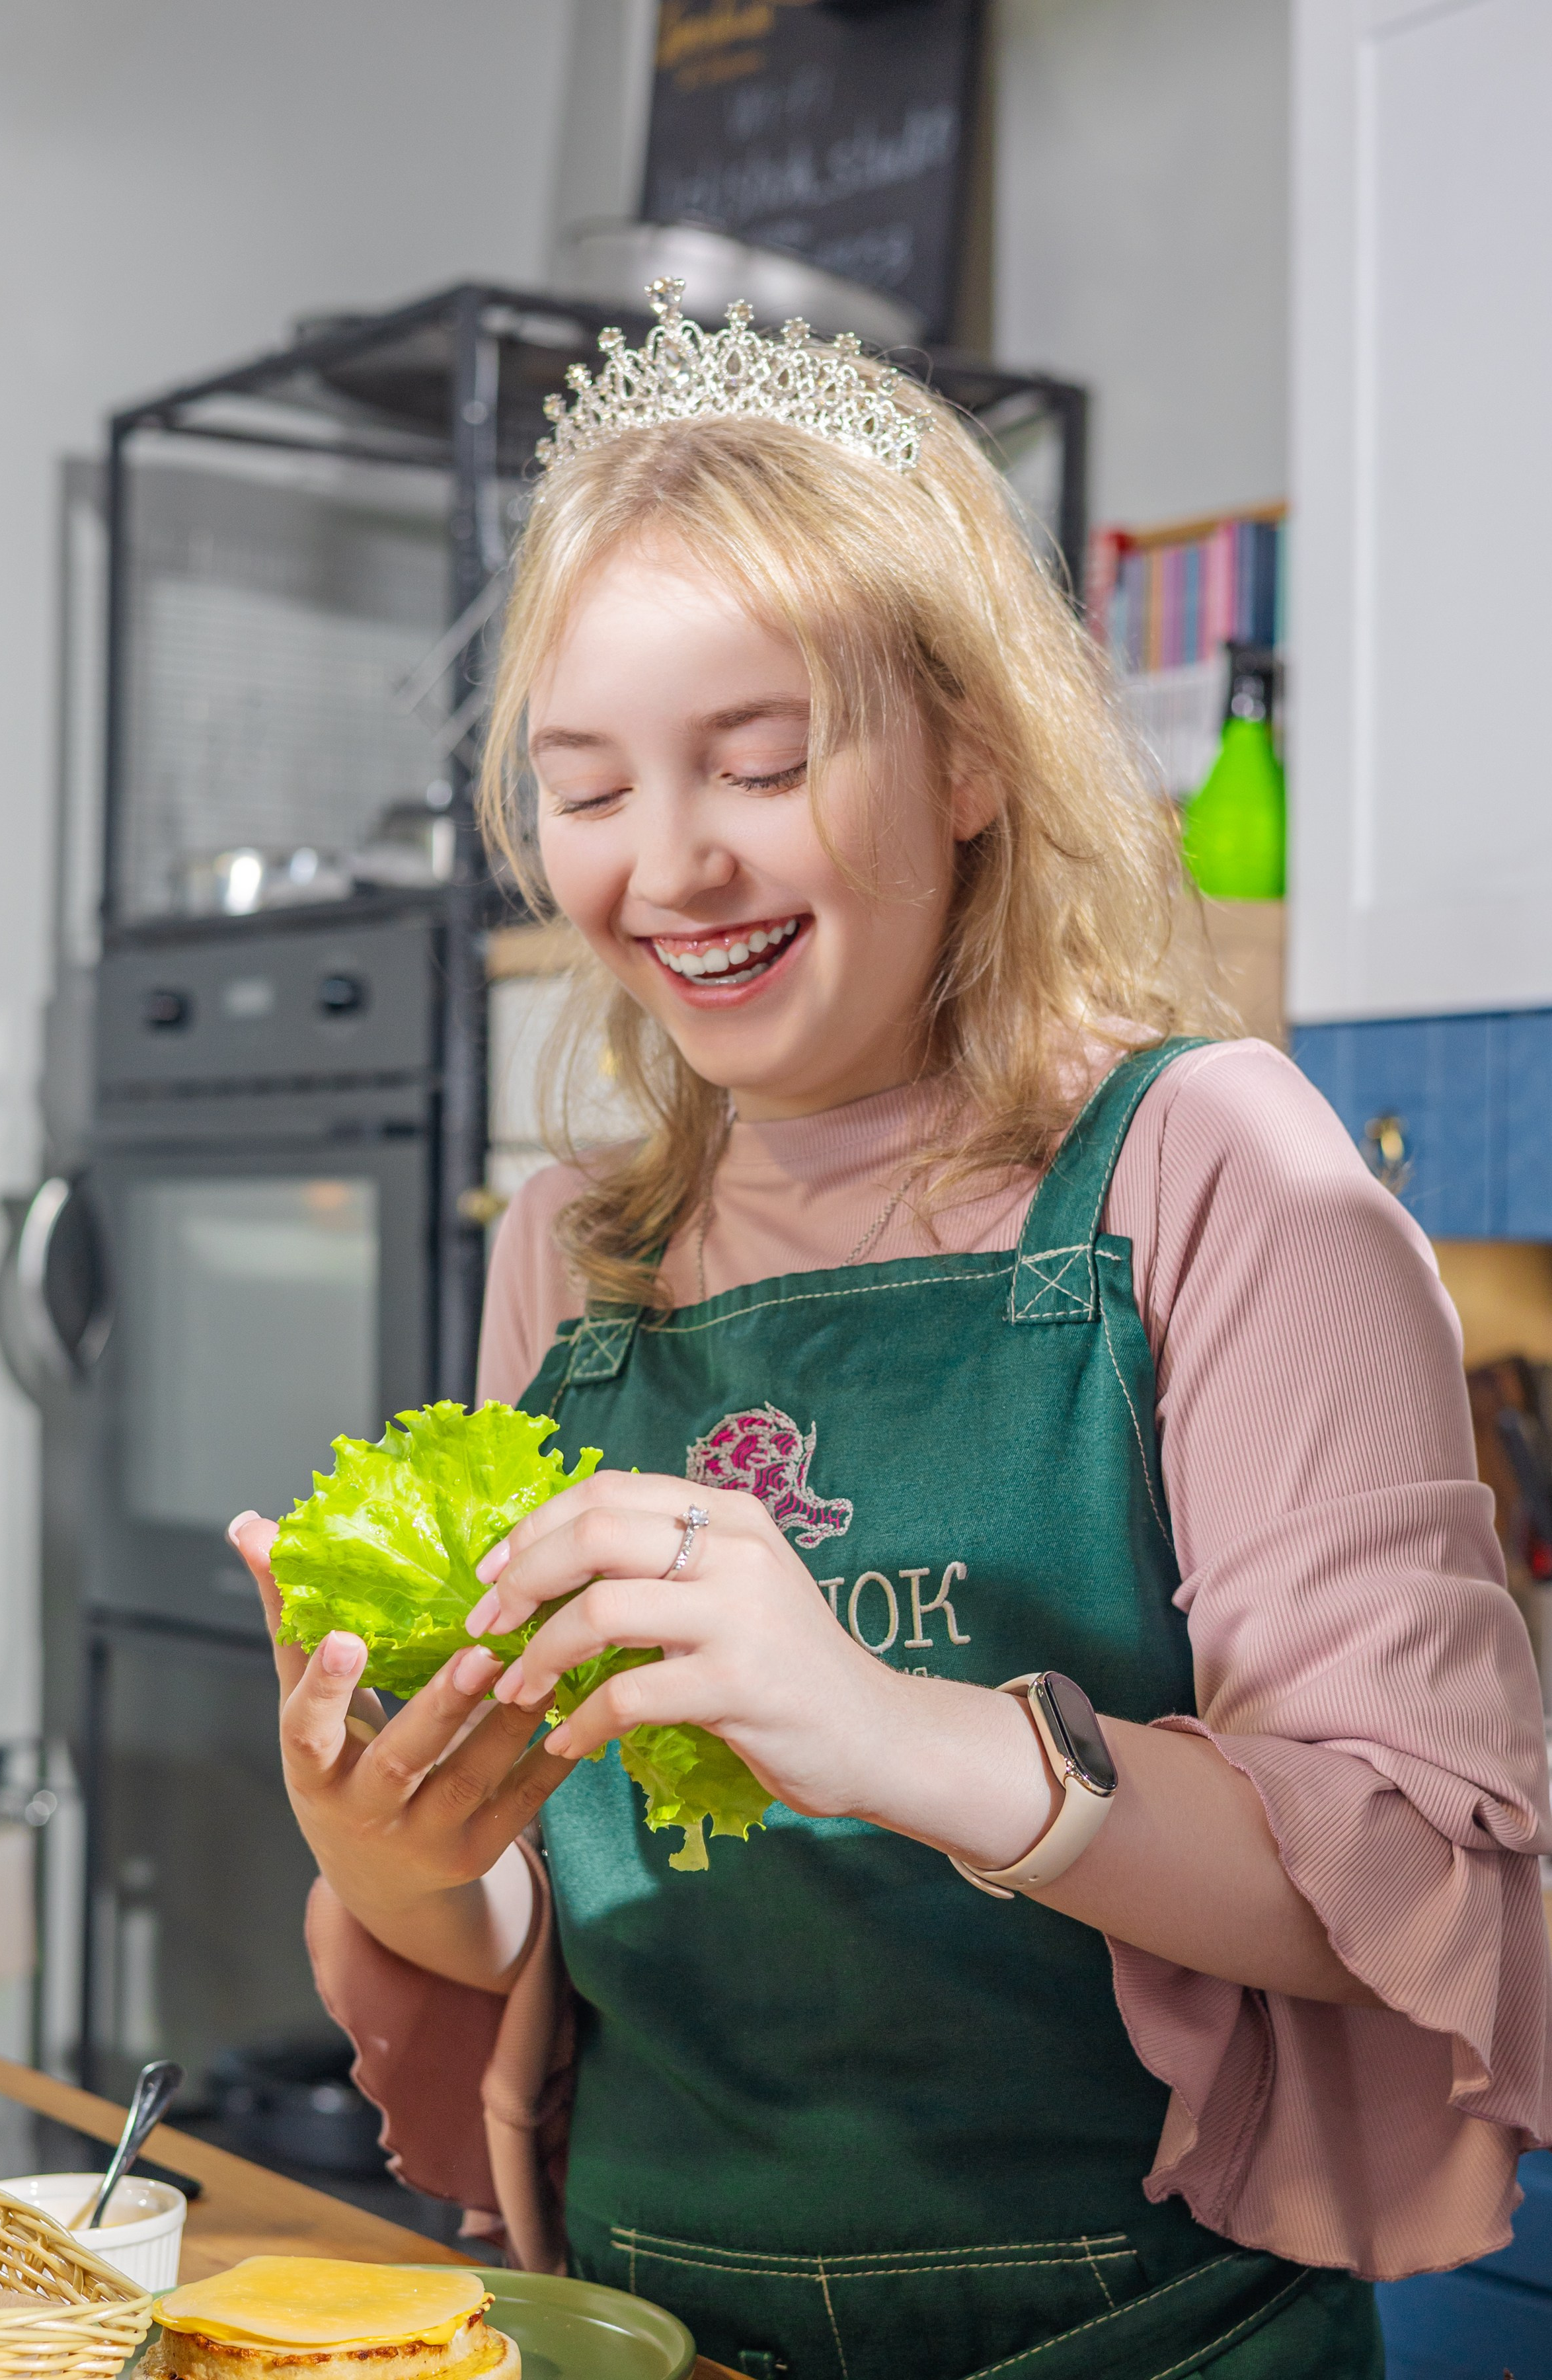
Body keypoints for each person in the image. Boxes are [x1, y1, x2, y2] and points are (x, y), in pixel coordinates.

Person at [230, 284, 1551, 2379]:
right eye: (587, 788)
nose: (672, 866)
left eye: (760, 762)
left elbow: (1408, 1870)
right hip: (644, 2331)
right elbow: (554, 1921)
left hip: (1142, 2341)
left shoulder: (1217, 1171)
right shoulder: (572, 1254)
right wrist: (396, 1859)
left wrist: (884, 1729)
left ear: (969, 755)